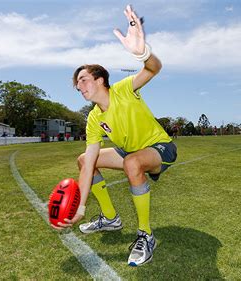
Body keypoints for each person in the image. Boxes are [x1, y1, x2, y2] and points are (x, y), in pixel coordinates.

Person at [52, 5, 177, 267]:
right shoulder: (94, 118)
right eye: (77, 84)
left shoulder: (123, 89)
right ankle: (110, 218)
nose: (79, 85)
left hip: (160, 147)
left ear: (100, 80)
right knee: (85, 160)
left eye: (84, 79)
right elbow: (88, 167)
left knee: (133, 163)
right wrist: (81, 207)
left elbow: (154, 68)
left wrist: (142, 52)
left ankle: (146, 235)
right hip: (129, 151)